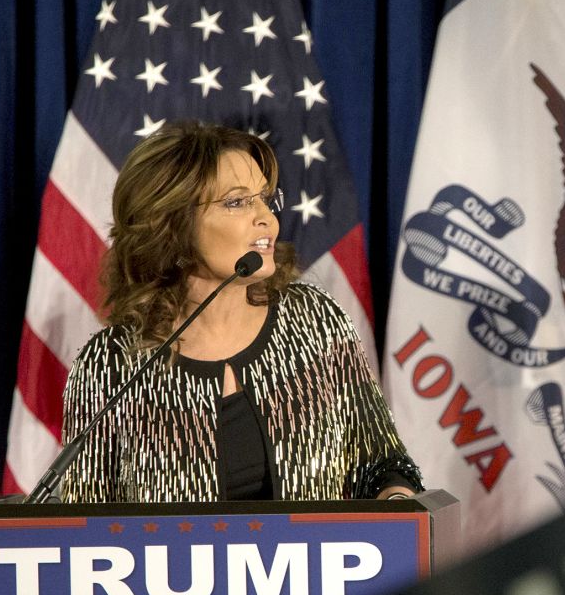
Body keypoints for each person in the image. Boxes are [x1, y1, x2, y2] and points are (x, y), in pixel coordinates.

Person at [59, 121, 421, 503]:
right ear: (172, 227)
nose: (266, 218)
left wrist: (396, 498)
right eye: (237, 202)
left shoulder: (315, 325)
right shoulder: (112, 364)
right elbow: (84, 524)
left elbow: (381, 462)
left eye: (265, 198)